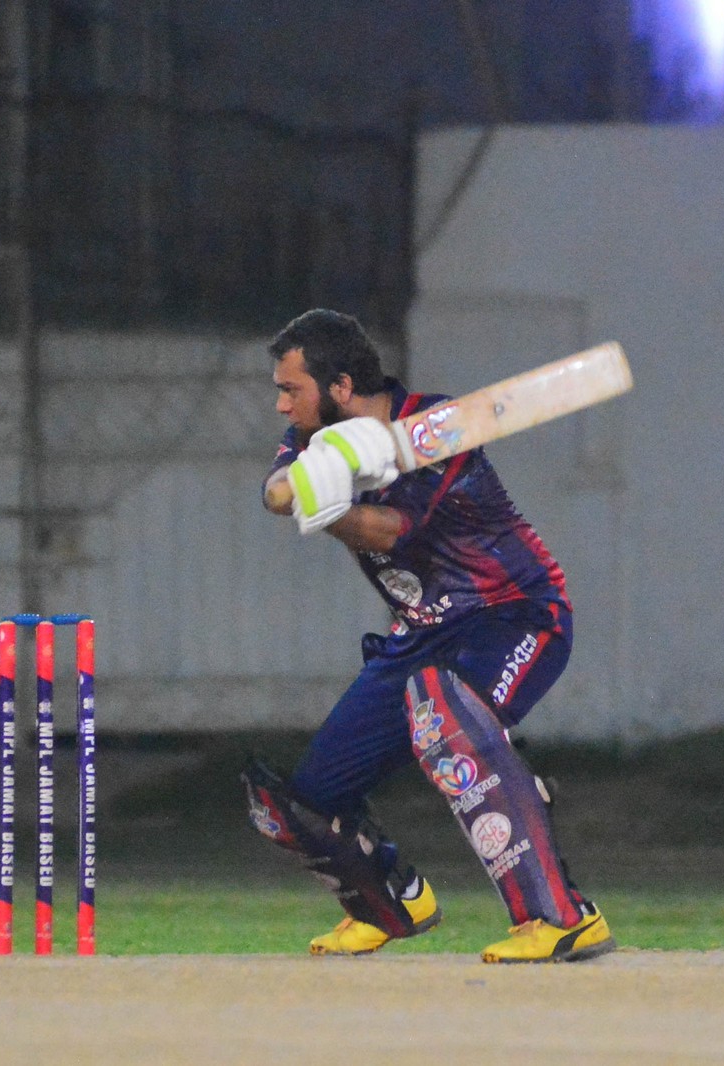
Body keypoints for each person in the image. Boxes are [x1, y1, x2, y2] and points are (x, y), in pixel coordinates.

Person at [242, 308, 615, 963]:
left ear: (341, 386)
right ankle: (391, 904)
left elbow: (390, 532)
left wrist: (330, 507)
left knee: (447, 717)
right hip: (420, 636)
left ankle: (562, 917)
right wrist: (309, 478)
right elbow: (274, 493)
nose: (281, 404)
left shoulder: (438, 425)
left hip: (512, 616)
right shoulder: (312, 438)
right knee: (307, 802)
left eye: (290, 389)